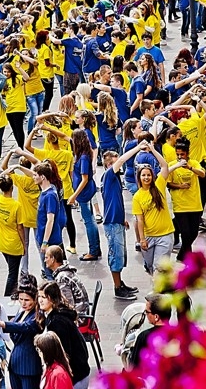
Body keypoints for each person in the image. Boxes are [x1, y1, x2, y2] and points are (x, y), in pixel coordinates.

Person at [98, 145, 140, 299]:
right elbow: (122, 159)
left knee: (120, 255)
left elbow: (114, 200)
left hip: (117, 221)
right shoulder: (109, 175)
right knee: (115, 256)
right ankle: (117, 287)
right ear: (109, 165)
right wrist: (138, 148)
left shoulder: (113, 178)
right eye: (116, 163)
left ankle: (120, 283)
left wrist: (122, 218)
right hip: (112, 223)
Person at [0, 274, 42, 389]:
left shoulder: (38, 315)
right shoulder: (21, 312)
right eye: (21, 299)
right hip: (15, 364)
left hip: (29, 366)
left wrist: (3, 324)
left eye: (27, 300)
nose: (23, 303)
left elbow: (25, 326)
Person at [131, 147, 175, 275]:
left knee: (158, 267)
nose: (146, 178)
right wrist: (141, 239)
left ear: (153, 176)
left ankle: (157, 292)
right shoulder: (137, 196)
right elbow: (140, 220)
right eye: (143, 175)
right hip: (149, 237)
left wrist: (152, 150)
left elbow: (164, 165)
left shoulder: (159, 185)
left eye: (149, 175)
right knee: (150, 266)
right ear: (139, 177)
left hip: (165, 235)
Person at [37, 283, 90, 389]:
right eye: (39, 296)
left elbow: (65, 353)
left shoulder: (58, 322)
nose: (40, 300)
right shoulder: (51, 316)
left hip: (75, 377)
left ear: (52, 299)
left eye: (44, 297)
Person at [0, 170, 25, 297]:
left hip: (2, 242)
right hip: (14, 244)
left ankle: (13, 293)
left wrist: (2, 173)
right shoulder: (16, 205)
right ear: (12, 187)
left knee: (12, 270)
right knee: (13, 274)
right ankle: (8, 296)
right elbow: (20, 227)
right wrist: (24, 245)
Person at [67, 129, 101, 262]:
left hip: (84, 194)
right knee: (90, 220)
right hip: (86, 192)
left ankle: (93, 250)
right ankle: (95, 248)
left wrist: (74, 196)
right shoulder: (84, 154)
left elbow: (84, 179)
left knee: (89, 221)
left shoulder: (83, 157)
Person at [127, 293, 172, 369]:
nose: (146, 315)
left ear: (156, 317)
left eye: (147, 312)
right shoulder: (178, 334)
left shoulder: (144, 337)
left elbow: (134, 367)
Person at [43, 246, 90, 317]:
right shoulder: (65, 273)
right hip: (81, 311)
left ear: (53, 259)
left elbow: (68, 304)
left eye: (46, 258)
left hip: (78, 317)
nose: (44, 260)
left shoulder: (62, 278)